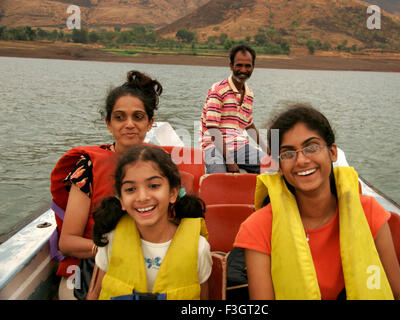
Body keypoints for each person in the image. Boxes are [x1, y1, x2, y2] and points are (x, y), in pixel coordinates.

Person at [233, 103, 400, 300]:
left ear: (332, 152)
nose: (301, 160)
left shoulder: (369, 213)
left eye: (311, 147)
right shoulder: (259, 228)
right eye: (288, 153)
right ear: (279, 166)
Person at [50, 70, 162, 300]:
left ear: (150, 123)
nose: (129, 124)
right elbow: (68, 242)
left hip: (150, 265)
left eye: (138, 117)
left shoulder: (162, 166)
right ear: (108, 124)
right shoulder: (87, 167)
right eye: (120, 117)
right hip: (94, 266)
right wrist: (116, 251)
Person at [86, 145, 212, 300]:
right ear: (122, 201)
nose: (142, 197)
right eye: (131, 189)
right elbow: (96, 293)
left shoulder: (199, 248)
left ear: (172, 193)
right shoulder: (110, 239)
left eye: (153, 186)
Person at [200, 44, 269, 174]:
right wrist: (230, 160)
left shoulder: (249, 94)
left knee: (271, 167)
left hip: (240, 146)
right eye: (239, 65)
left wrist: (267, 150)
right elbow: (212, 129)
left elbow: (249, 125)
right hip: (214, 146)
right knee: (219, 176)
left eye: (247, 66)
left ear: (253, 67)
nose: (243, 70)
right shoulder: (218, 89)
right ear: (231, 66)